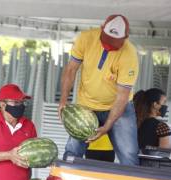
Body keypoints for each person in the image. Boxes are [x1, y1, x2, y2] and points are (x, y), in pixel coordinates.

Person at [59, 14, 140, 166]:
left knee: (129, 156)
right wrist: (63, 101)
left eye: (115, 43)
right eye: (107, 39)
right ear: (102, 29)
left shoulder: (130, 55)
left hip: (118, 107)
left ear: (126, 37)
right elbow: (71, 70)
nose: (109, 46)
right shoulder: (86, 38)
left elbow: (122, 96)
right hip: (86, 105)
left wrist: (107, 126)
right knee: (72, 151)